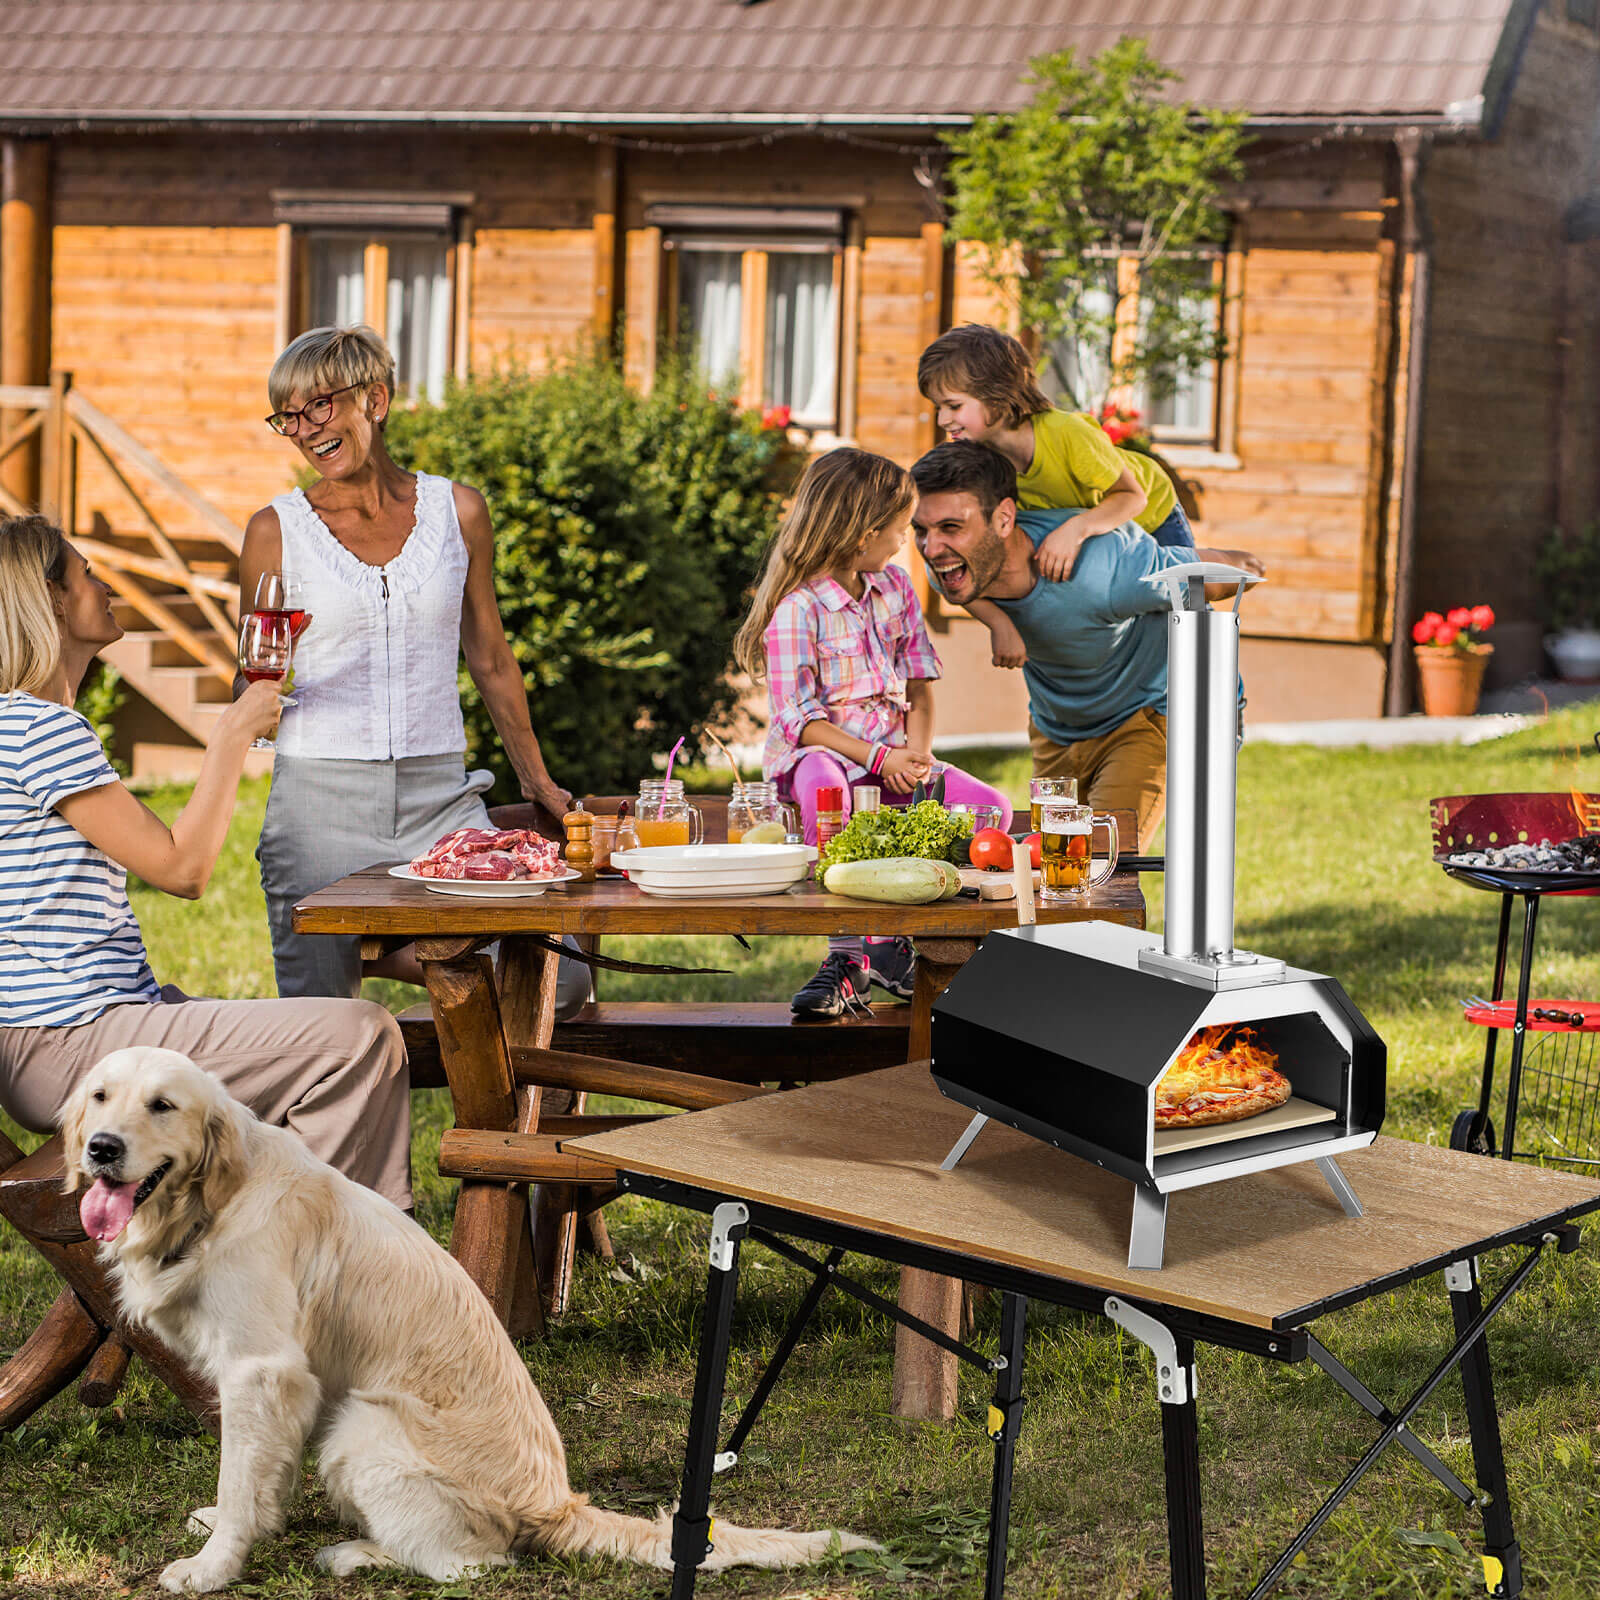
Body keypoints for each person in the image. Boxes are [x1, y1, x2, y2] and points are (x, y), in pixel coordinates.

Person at [0, 514, 413, 1211]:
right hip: (73, 1042)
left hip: (67, 1033)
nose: (106, 586)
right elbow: (184, 871)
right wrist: (233, 732)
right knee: (360, 1037)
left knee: (302, 1057)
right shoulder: (40, 729)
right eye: (87, 574)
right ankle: (341, 1267)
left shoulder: (20, 726)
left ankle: (277, 1256)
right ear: (53, 602)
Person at [243, 324, 587, 1012]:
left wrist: (537, 780)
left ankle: (407, 951)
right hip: (317, 808)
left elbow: (489, 657)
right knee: (322, 1033)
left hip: (441, 802)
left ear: (375, 398)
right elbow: (252, 683)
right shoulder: (274, 531)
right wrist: (259, 678)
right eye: (288, 416)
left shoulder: (457, 512)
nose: (305, 429)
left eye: (320, 406)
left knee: (564, 978)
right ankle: (372, 961)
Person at [733, 449, 1012, 1019]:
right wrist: (877, 755)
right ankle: (849, 955)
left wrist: (918, 757)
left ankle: (898, 942)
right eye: (901, 528)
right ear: (863, 535)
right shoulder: (799, 610)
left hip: (890, 756)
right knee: (825, 788)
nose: (908, 540)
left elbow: (919, 688)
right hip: (823, 757)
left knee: (989, 810)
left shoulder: (894, 588)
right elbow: (800, 720)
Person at [909, 443, 1261, 852]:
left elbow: (1239, 572)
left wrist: (1232, 575)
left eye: (951, 528)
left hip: (1145, 718)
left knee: (1098, 868)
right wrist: (999, 623)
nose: (930, 549)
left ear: (1004, 519)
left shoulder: (1102, 571)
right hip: (1056, 728)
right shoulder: (952, 569)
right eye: (921, 530)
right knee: (1050, 871)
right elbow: (958, 587)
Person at [918, 323, 1196, 672]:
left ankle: (1217, 704)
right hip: (1094, 542)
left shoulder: (1068, 434)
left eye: (954, 406)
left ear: (996, 393)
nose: (944, 419)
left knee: (1190, 612)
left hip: (1151, 516)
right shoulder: (982, 462)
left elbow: (1132, 497)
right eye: (938, 408)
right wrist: (1000, 623)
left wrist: (1075, 530)